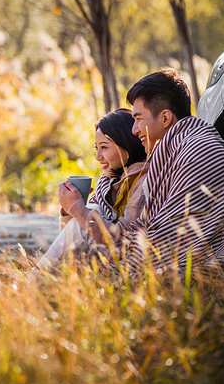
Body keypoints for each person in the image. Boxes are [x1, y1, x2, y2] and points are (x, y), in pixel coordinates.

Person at [59, 69, 224, 275]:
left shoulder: (194, 150)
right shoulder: (183, 145)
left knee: (96, 266)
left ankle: (42, 281)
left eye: (139, 119)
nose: (134, 130)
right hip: (212, 263)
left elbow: (159, 238)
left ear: (165, 118)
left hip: (202, 269)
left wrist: (79, 210)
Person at [37, 109, 148, 270]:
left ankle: (34, 279)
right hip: (106, 255)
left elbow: (121, 238)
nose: (98, 156)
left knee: (89, 212)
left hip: (129, 258)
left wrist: (78, 208)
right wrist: (70, 210)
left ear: (127, 146)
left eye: (104, 147)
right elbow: (69, 237)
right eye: (96, 148)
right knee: (91, 210)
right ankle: (41, 281)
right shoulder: (108, 180)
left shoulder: (143, 181)